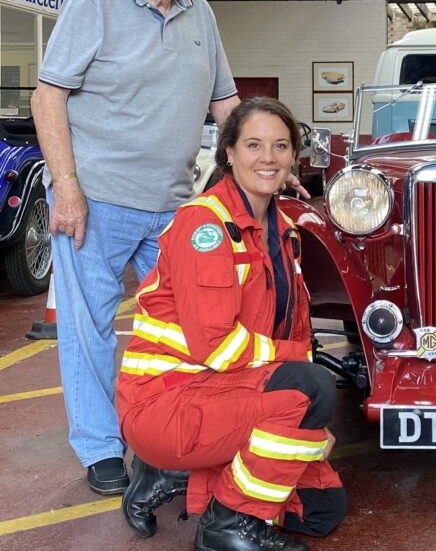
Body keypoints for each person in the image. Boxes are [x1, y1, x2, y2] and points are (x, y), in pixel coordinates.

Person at [31, 0, 241, 495]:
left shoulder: (200, 11)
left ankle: (171, 439)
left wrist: (268, 157)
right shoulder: (94, 0)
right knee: (87, 326)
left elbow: (226, 104)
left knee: (188, 327)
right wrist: (66, 187)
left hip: (174, 204)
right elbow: (48, 98)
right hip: (95, 196)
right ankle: (100, 447)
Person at [116, 98, 344, 551]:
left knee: (321, 513)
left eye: (281, 146)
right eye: (254, 145)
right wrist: (302, 388)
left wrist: (307, 422)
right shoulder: (204, 226)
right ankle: (228, 525)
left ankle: (178, 472)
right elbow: (216, 348)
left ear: (293, 158)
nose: (268, 158)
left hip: (228, 391)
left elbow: (291, 329)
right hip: (168, 400)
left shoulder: (283, 230)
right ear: (228, 153)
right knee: (312, 386)